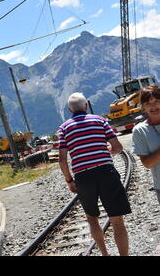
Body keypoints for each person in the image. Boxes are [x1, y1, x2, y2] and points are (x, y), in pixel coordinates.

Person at [57, 92, 131, 256]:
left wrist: (69, 180)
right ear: (86, 106)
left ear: (70, 109)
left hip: (83, 177)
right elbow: (118, 147)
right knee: (117, 220)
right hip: (106, 172)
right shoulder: (100, 121)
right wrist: (107, 152)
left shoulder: (64, 128)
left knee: (91, 218)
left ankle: (105, 254)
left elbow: (62, 160)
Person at [132, 84, 160, 204]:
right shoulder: (139, 130)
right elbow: (147, 163)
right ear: (143, 107)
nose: (153, 106)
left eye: (156, 101)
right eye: (148, 103)